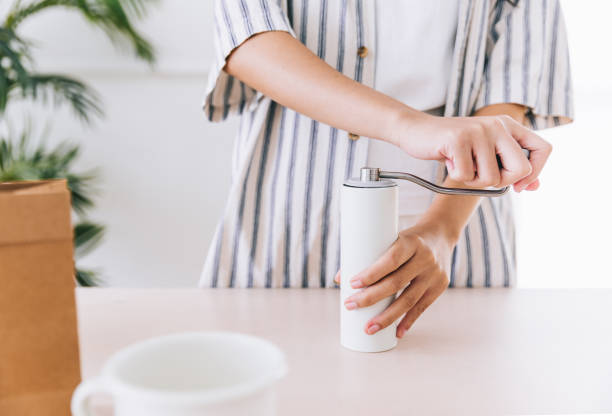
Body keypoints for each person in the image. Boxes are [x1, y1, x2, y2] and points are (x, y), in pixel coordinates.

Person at [200, 0, 573, 338]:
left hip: (458, 244)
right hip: (286, 233)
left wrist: (441, 231)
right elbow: (247, 39)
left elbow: (511, 88)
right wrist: (409, 126)